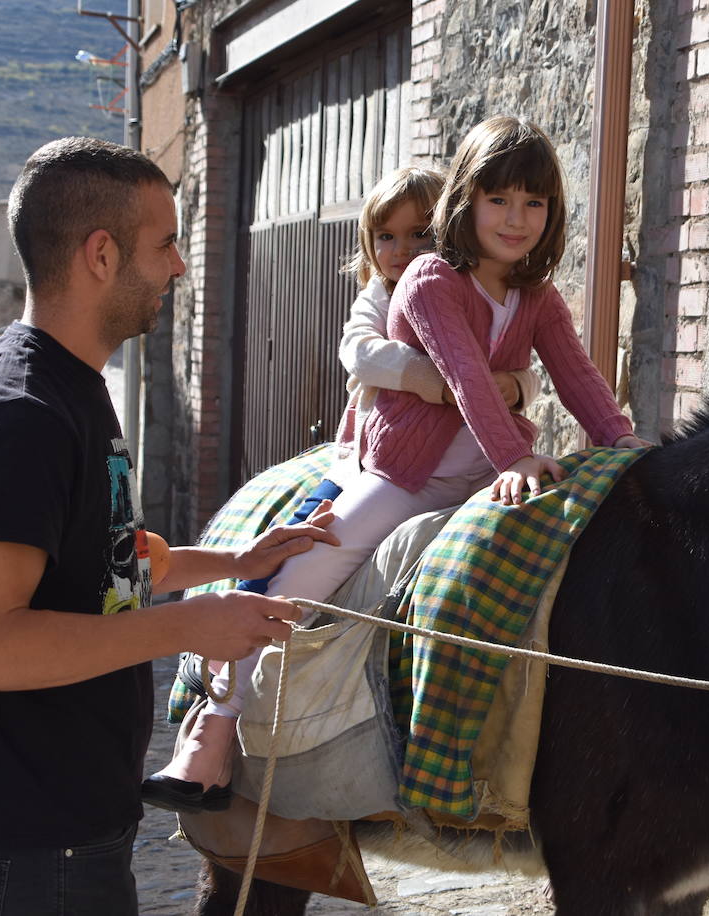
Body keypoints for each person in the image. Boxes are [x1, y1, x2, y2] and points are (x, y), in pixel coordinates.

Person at [151, 114, 648, 798]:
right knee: (309, 566)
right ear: (465, 201)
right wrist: (512, 458)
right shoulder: (431, 281)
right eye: (498, 199)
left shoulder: (537, 299)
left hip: (490, 472)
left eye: (534, 202)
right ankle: (218, 717)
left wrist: (623, 443)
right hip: (406, 476)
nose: (516, 218)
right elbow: (468, 376)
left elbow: (578, 377)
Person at [0, 137, 338, 916]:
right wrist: (187, 629)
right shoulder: (19, 416)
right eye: (167, 243)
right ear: (101, 254)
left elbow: (103, 569)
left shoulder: (70, 385)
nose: (181, 265)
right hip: (35, 841)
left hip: (71, 822)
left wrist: (237, 559)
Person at [232, 166, 539, 594]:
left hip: (471, 461)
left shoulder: (467, 290)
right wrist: (437, 380)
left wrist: (519, 384)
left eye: (419, 234)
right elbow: (358, 351)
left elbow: (505, 358)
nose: (402, 250)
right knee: (301, 536)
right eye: (386, 236)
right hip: (371, 458)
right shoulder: (379, 295)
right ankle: (241, 622)